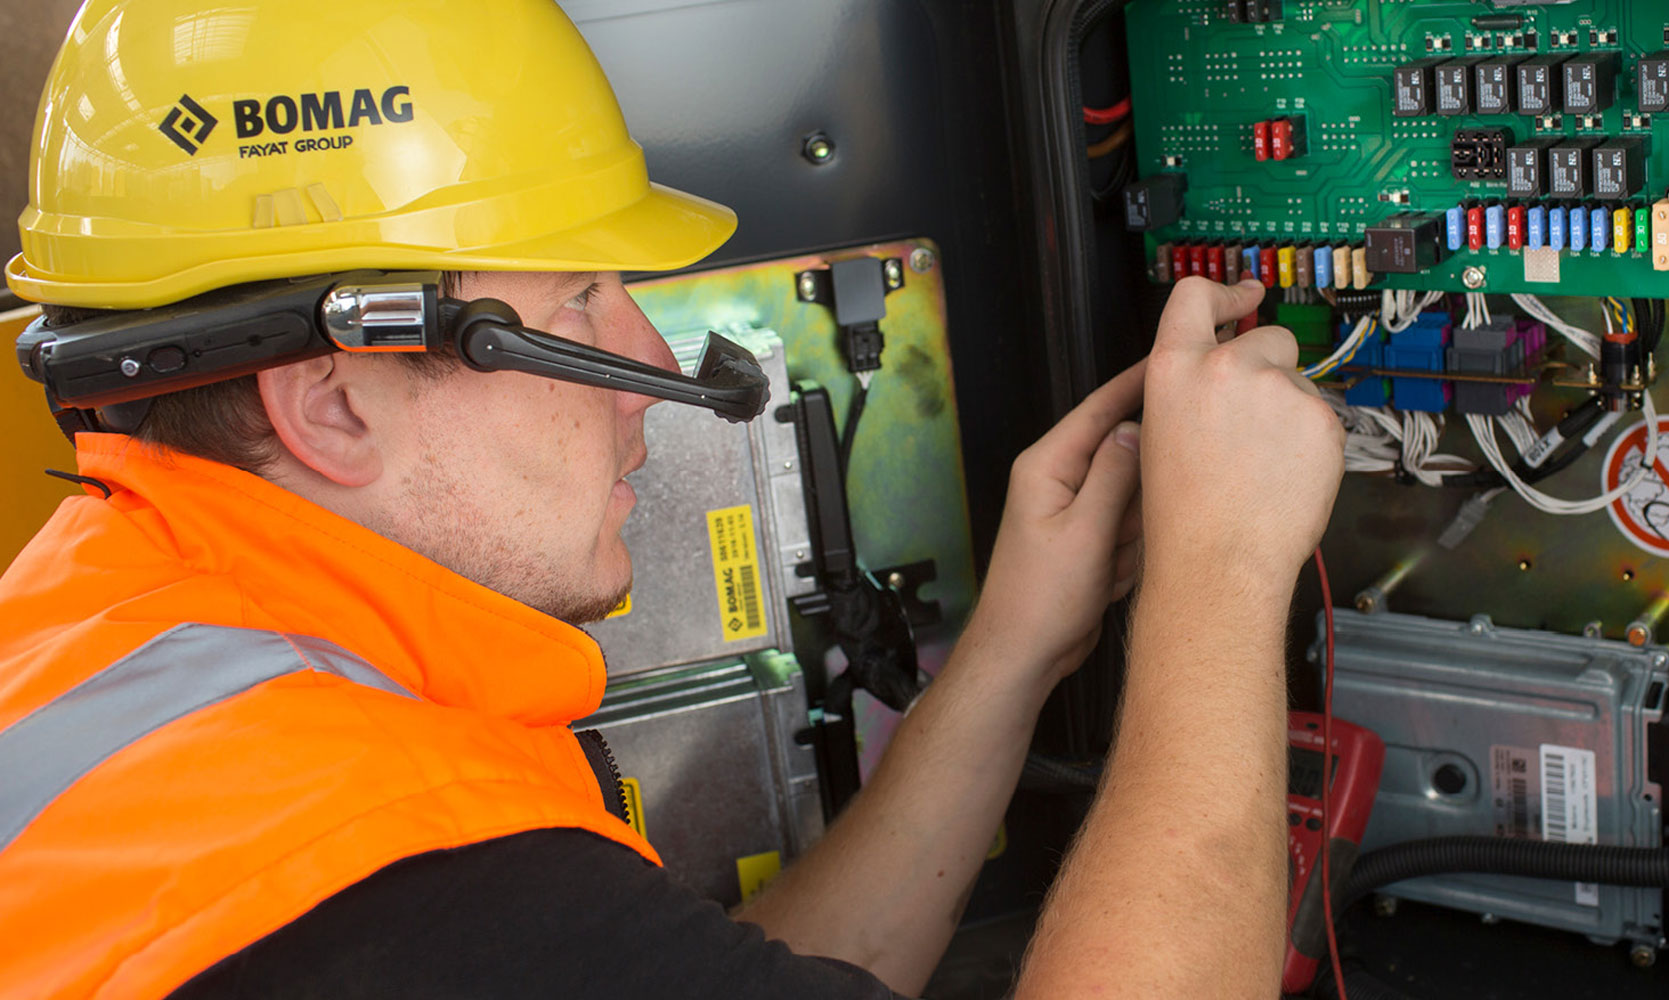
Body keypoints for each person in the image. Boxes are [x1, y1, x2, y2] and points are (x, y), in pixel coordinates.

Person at [0, 1, 1344, 998]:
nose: (647, 363)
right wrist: (1221, 573)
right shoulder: (362, 889)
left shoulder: (116, 651)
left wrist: (1014, 649)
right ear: (337, 403)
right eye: (579, 300)